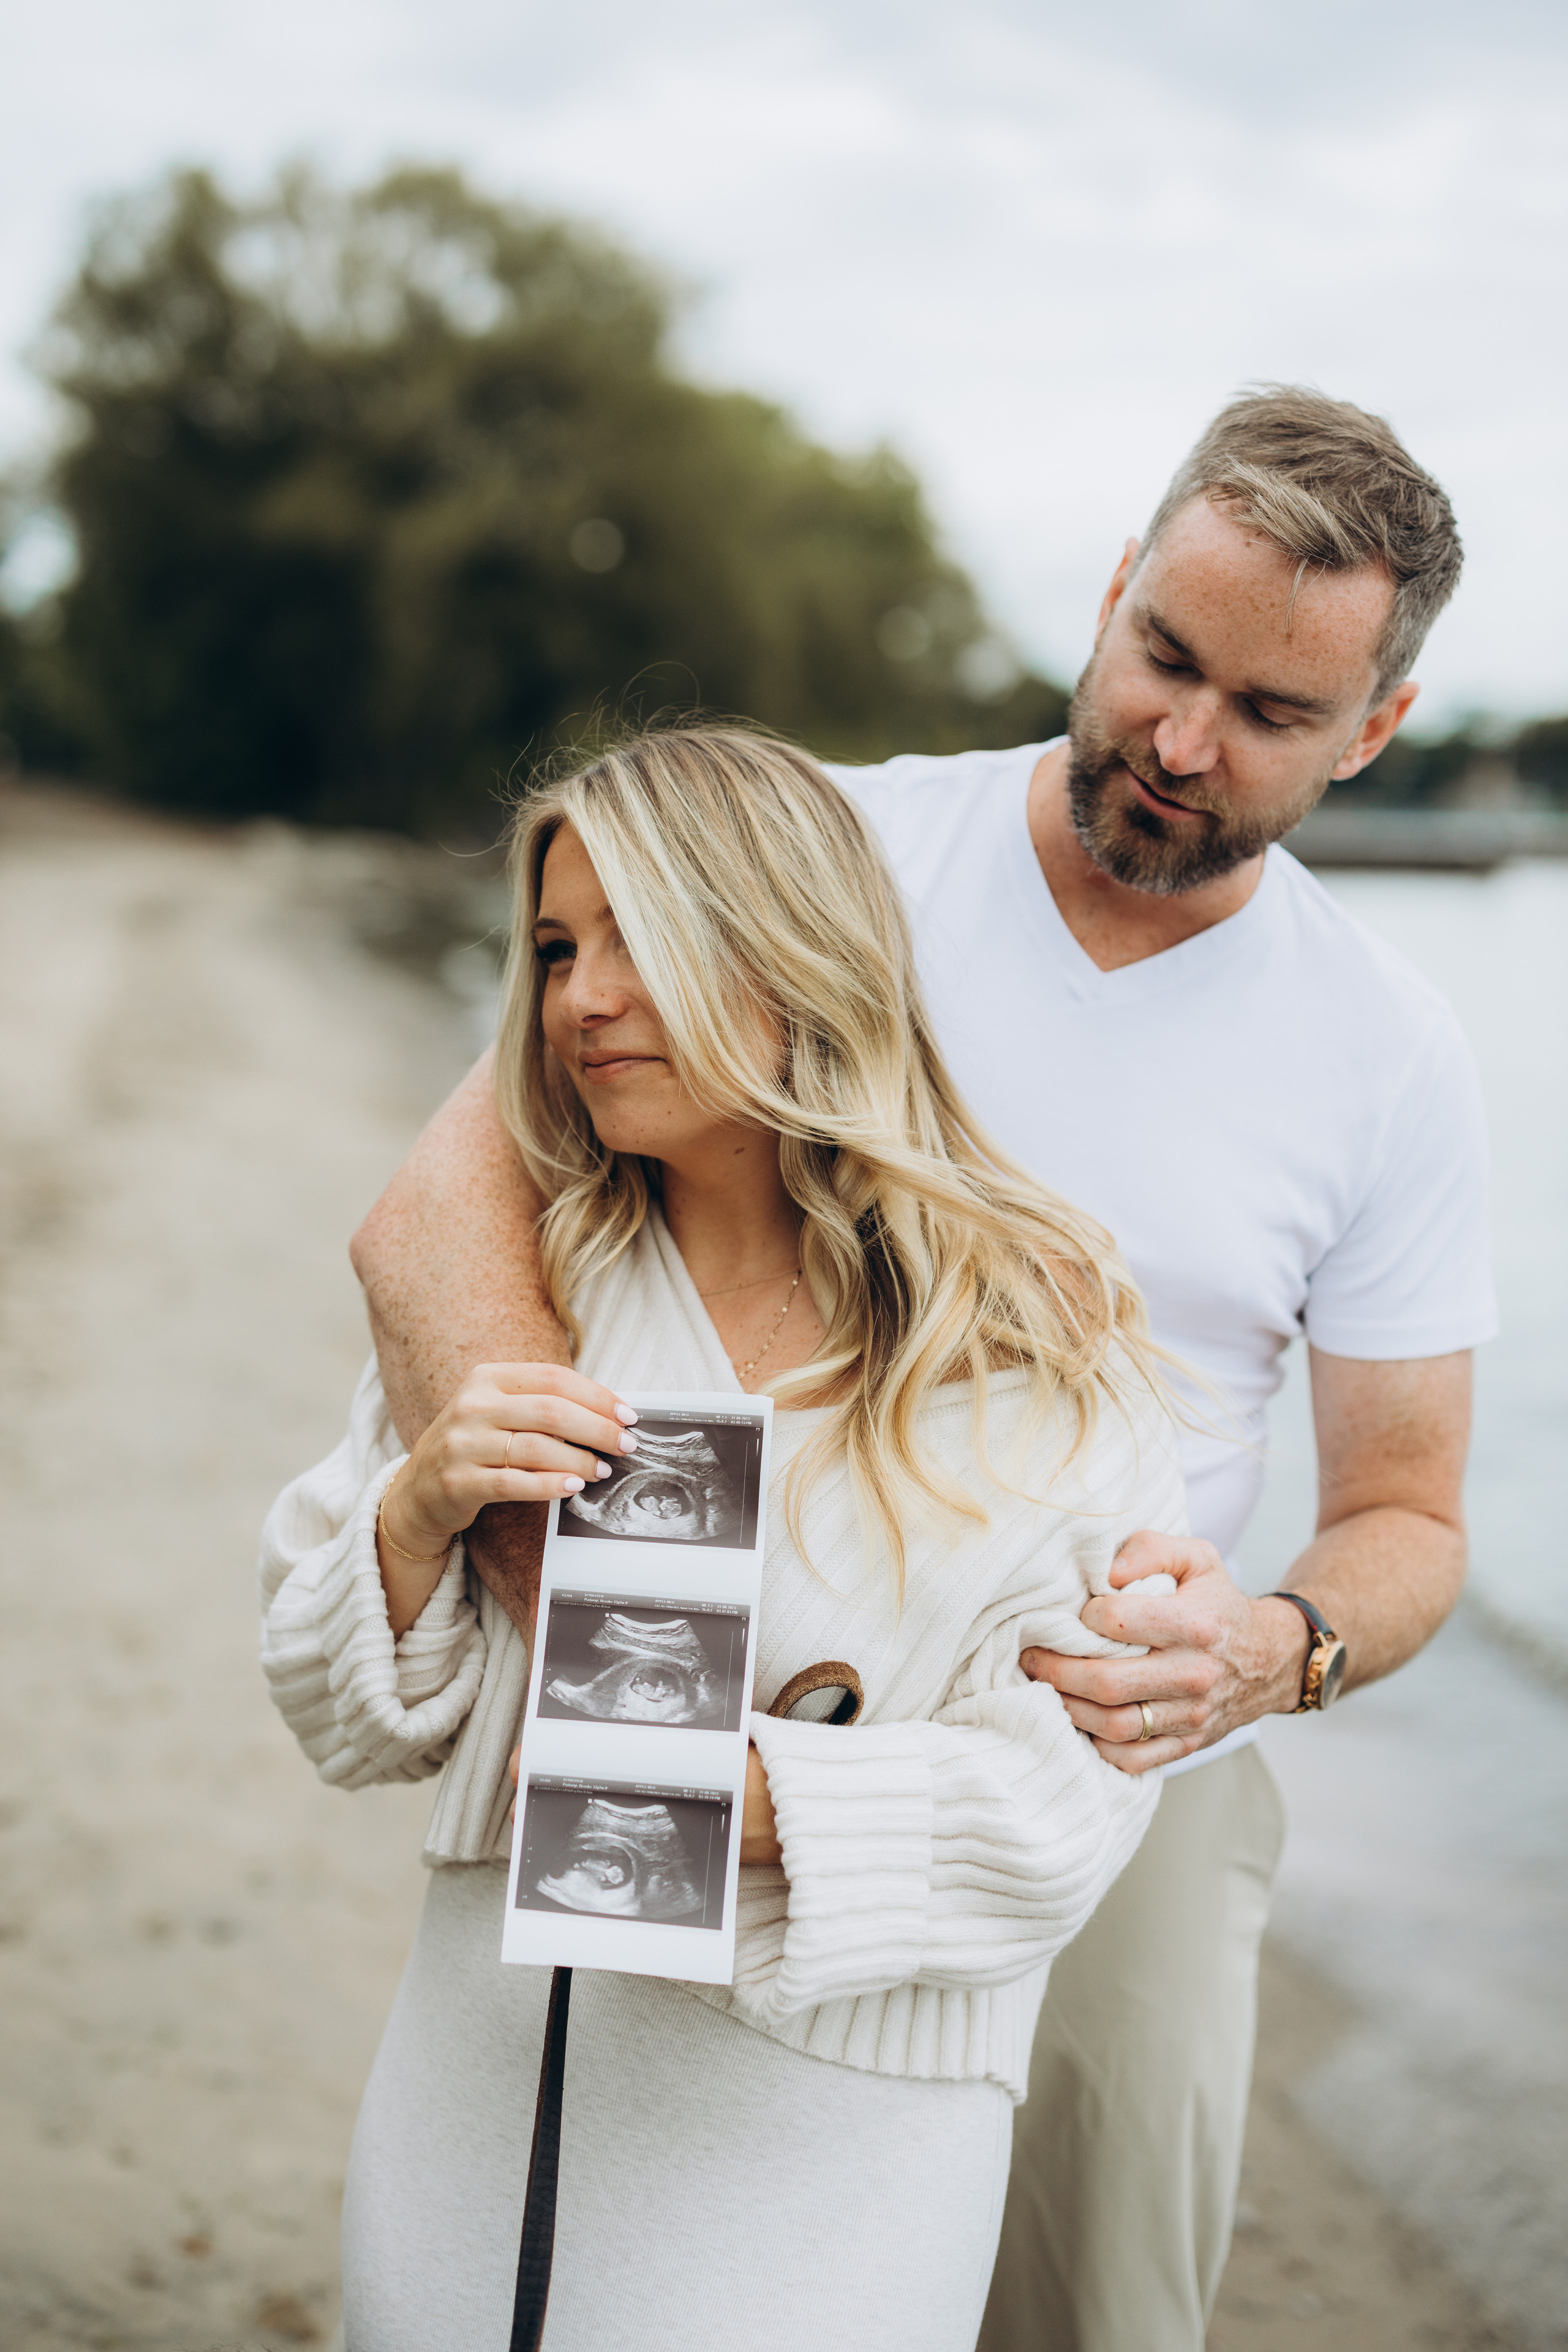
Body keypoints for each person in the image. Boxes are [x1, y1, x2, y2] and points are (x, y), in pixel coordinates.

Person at [352, 386, 1496, 2351]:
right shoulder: (835, 850)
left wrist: (1272, 1647)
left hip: (1112, 1756)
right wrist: (592, 1603)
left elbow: (1407, 1513)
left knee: (1093, 2311)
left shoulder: (1393, 1055)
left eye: (1273, 715)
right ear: (1118, 587)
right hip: (736, 1661)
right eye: (1164, 657)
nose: (1180, 738)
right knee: (638, 2263)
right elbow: (443, 1202)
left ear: (1376, 730)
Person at [261, 728, 1192, 2350]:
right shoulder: (540, 1299)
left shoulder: (1038, 1353)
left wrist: (756, 1804)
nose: (580, 1001)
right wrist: (419, 1513)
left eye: (639, 940)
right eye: (557, 947)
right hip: (472, 2098)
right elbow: (337, 1719)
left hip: (832, 2156)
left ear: (791, 951)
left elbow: (1063, 1808)